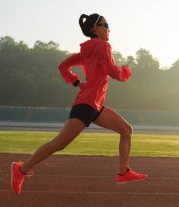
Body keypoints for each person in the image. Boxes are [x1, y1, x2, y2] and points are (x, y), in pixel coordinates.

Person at [11, 13, 148, 194]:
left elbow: (63, 66)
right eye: (105, 25)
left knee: (126, 130)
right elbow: (113, 71)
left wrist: (76, 82)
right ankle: (20, 170)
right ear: (95, 29)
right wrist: (126, 71)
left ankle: (124, 172)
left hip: (95, 105)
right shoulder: (103, 45)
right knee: (60, 143)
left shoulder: (86, 51)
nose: (108, 29)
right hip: (87, 104)